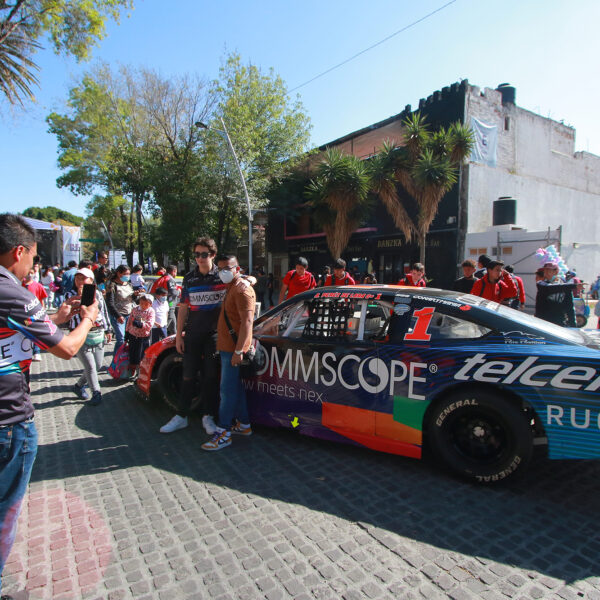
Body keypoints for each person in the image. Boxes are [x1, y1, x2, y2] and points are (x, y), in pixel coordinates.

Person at [0, 213, 99, 596]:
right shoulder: (13, 292)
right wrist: (87, 319)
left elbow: (19, 333)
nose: (34, 266)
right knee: (6, 512)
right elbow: (68, 348)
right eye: (33, 258)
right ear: (18, 252)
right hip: (9, 421)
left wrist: (56, 318)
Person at [160, 237, 224, 435]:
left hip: (214, 336)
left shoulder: (223, 276)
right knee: (187, 375)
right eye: (196, 254)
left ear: (212, 255)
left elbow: (244, 285)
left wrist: (251, 279)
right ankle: (181, 416)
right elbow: (183, 308)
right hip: (193, 334)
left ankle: (208, 416)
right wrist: (178, 336)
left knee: (211, 377)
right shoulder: (189, 278)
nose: (200, 258)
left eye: (204, 254)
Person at [202, 254, 256, 451]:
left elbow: (248, 322)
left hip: (233, 350)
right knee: (236, 389)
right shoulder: (233, 286)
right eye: (221, 268)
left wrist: (239, 350)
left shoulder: (242, 290)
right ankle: (243, 425)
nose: (223, 272)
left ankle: (223, 432)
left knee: (226, 391)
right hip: (227, 349)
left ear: (237, 268)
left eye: (228, 268)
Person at [66, 267, 112, 405]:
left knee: (97, 365)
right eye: (77, 278)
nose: (80, 281)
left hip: (97, 333)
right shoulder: (70, 294)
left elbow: (103, 311)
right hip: (79, 334)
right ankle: (96, 392)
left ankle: (78, 386)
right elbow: (71, 314)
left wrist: (108, 329)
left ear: (91, 280)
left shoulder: (97, 294)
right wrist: (81, 298)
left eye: (83, 278)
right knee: (90, 367)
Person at [535, 261, 578, 327]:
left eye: (549, 270)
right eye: (545, 270)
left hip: (559, 321)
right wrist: (573, 286)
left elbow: (570, 306)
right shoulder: (541, 284)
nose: (546, 272)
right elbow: (549, 288)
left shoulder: (565, 286)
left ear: (556, 272)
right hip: (543, 322)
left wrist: (573, 324)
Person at [105, 265, 135, 355]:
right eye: (125, 274)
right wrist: (118, 315)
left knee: (128, 338)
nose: (127, 276)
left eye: (129, 274)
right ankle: (116, 361)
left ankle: (124, 359)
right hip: (118, 315)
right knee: (121, 339)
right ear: (119, 273)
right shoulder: (112, 285)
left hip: (129, 313)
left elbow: (132, 299)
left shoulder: (129, 284)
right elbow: (110, 303)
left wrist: (136, 295)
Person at [126, 292, 155, 379]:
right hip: (132, 334)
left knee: (141, 356)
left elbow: (149, 325)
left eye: (146, 304)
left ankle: (139, 373)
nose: (143, 305)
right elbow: (129, 321)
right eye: (142, 303)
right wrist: (127, 332)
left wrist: (139, 324)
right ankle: (132, 371)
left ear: (150, 304)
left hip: (143, 337)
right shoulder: (135, 309)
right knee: (132, 354)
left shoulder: (151, 312)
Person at [150, 265, 178, 334]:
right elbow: (173, 292)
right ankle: (162, 334)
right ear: (174, 271)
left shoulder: (161, 278)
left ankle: (175, 337)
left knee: (173, 323)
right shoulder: (169, 279)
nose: (176, 274)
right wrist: (179, 291)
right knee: (168, 320)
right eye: (176, 272)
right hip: (169, 304)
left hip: (160, 303)